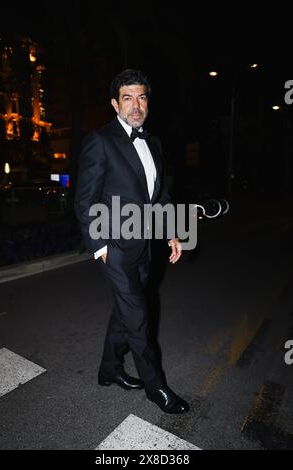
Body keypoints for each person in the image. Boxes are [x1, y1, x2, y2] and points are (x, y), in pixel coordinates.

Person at [74, 69, 189, 414]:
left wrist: (172, 232)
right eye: (128, 97)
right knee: (138, 315)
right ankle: (156, 388)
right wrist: (101, 247)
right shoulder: (100, 141)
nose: (136, 105)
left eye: (141, 97)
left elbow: (160, 195)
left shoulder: (152, 142)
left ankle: (109, 370)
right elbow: (85, 200)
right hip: (114, 247)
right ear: (114, 104)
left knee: (124, 313)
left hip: (144, 245)